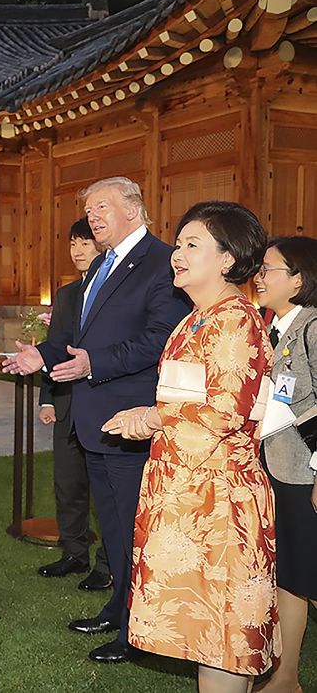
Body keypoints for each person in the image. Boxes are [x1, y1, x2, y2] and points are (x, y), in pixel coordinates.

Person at [3, 176, 189, 663]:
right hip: (94, 422)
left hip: (131, 421)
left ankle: (138, 630)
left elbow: (159, 339)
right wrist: (40, 358)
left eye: (101, 207)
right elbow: (72, 336)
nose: (92, 218)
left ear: (134, 207)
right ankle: (117, 606)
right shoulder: (99, 267)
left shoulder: (161, 263)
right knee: (112, 526)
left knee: (133, 528)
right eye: (88, 211)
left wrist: (94, 364)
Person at [105, 202, 275, 692]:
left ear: (228, 259)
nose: (176, 254)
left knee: (222, 637)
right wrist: (152, 422)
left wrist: (151, 418)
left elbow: (226, 409)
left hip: (220, 503)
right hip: (187, 493)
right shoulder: (197, 319)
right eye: (177, 244)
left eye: (191, 244)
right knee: (204, 634)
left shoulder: (234, 320)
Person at [253, 235, 317, 693]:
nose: (259, 277)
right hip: (278, 470)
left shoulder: (313, 328)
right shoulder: (269, 329)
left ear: (298, 279)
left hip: (305, 476)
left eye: (269, 269)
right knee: (291, 575)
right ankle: (287, 675)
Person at [36, 218, 111, 591]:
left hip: (101, 405)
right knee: (68, 485)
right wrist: (46, 398)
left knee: (104, 492)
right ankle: (73, 552)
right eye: (73, 244)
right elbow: (53, 348)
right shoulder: (66, 294)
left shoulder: (113, 291)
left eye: (86, 243)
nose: (78, 251)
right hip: (65, 404)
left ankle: (109, 564)